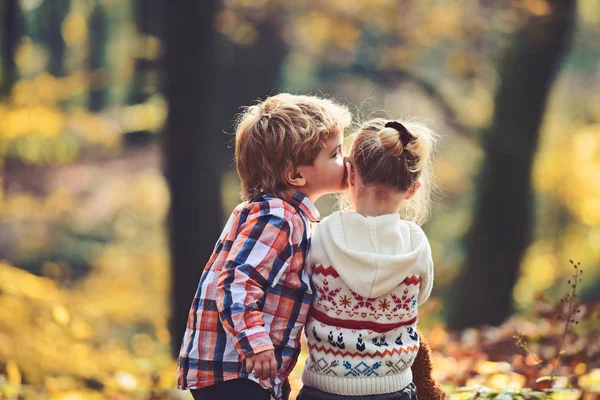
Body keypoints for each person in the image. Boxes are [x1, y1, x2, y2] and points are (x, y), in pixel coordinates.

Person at [177, 93, 352, 400]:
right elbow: (235, 283)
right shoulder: (277, 217)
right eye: (335, 153)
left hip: (242, 369)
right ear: (296, 175)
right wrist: (255, 343)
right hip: (232, 369)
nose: (347, 159)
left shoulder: (283, 215)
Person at [299, 118, 439, 400]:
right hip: (394, 389)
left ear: (350, 175)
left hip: (325, 389)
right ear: (412, 189)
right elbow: (420, 297)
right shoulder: (416, 243)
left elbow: (305, 290)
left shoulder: (323, 233)